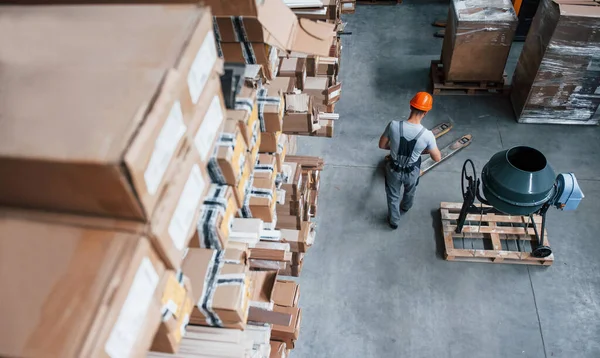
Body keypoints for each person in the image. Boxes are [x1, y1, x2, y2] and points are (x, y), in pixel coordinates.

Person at [379, 92, 441, 229]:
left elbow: (382, 145)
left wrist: (395, 147)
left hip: (393, 169)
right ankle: (406, 206)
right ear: (426, 113)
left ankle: (394, 221)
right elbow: (437, 157)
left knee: (393, 195)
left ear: (410, 106)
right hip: (412, 171)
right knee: (410, 190)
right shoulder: (428, 135)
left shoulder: (393, 125)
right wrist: (422, 150)